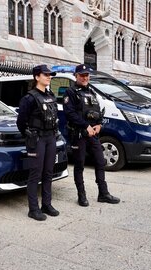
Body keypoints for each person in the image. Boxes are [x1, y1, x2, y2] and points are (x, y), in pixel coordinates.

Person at [63, 64, 120, 206]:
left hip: (93, 135)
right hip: (79, 134)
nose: (85, 77)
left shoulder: (92, 92)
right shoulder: (70, 92)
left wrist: (99, 124)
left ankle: (103, 193)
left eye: (86, 75)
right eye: (82, 75)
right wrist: (86, 126)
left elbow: (98, 111)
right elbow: (70, 114)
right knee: (79, 165)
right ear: (76, 76)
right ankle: (81, 196)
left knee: (100, 162)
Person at [17, 64, 59, 221]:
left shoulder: (50, 95)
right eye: (45, 74)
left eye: (50, 75)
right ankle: (33, 209)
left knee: (49, 172)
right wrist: (30, 136)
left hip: (50, 137)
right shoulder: (29, 98)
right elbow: (21, 121)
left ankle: (46, 205)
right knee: (35, 174)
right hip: (37, 139)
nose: (49, 77)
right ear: (36, 77)